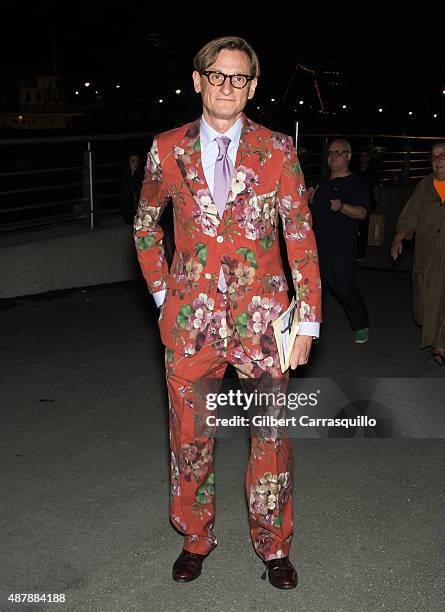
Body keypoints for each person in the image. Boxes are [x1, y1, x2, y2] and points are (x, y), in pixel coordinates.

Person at [133, 36, 321, 589]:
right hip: (190, 322)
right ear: (197, 80)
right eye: (217, 76)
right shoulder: (166, 148)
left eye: (238, 79)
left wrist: (306, 319)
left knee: (271, 435)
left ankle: (274, 545)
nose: (226, 87)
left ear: (253, 87)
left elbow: (301, 234)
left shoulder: (278, 150)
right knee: (189, 435)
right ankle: (195, 537)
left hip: (263, 323)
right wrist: (166, 295)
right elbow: (145, 225)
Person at [309, 138, 370, 343]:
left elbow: (362, 212)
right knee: (315, 289)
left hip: (341, 247)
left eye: (339, 153)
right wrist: (309, 199)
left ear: (349, 156)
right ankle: (312, 330)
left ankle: (361, 324)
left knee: (344, 287)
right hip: (317, 246)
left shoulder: (355, 184)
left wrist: (342, 206)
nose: (333, 157)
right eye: (331, 153)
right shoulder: (323, 184)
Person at [391, 142, 445, 365]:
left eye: (443, 155)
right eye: (434, 157)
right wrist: (399, 237)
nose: (438, 160)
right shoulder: (425, 185)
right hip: (427, 256)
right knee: (423, 305)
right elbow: (411, 214)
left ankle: (440, 347)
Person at [356, 146, 380, 261]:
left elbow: (376, 189)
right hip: (355, 201)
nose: (363, 157)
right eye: (362, 155)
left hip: (367, 202)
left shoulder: (373, 171)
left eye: (365, 155)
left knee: (364, 228)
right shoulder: (356, 169)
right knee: (355, 228)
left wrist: (378, 204)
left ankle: (361, 253)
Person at [120, 153, 144, 225]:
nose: (136, 164)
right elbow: (126, 196)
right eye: (133, 161)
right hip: (130, 210)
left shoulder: (140, 176)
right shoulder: (124, 178)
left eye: (137, 161)